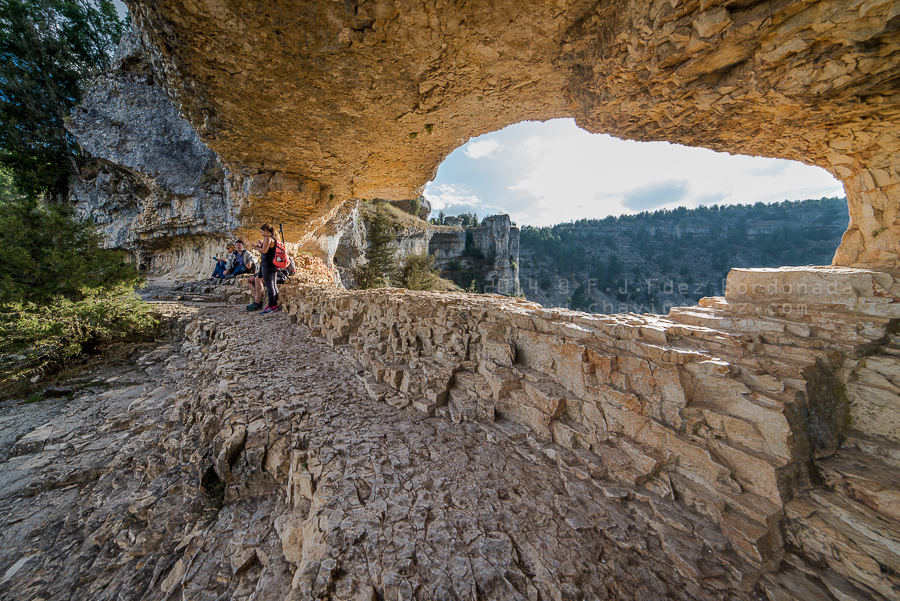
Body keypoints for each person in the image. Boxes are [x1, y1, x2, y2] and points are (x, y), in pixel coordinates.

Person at [247, 224, 281, 314]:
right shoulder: (274, 238)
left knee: (270, 286)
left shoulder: (268, 238)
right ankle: (274, 306)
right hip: (273, 264)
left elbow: (264, 251)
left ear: (266, 230)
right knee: (273, 285)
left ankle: (271, 306)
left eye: (262, 232)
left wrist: (256, 248)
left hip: (267, 265)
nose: (261, 234)